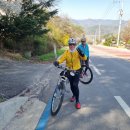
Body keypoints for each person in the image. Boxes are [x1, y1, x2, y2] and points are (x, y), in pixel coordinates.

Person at [53, 38, 87, 109]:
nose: (72, 46)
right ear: (69, 45)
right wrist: (58, 62)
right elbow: (62, 58)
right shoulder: (67, 52)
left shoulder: (77, 51)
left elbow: (85, 59)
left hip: (77, 70)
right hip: (69, 70)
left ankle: (77, 101)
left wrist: (82, 54)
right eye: (70, 44)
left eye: (73, 44)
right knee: (71, 85)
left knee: (75, 85)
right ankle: (74, 95)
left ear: (75, 45)